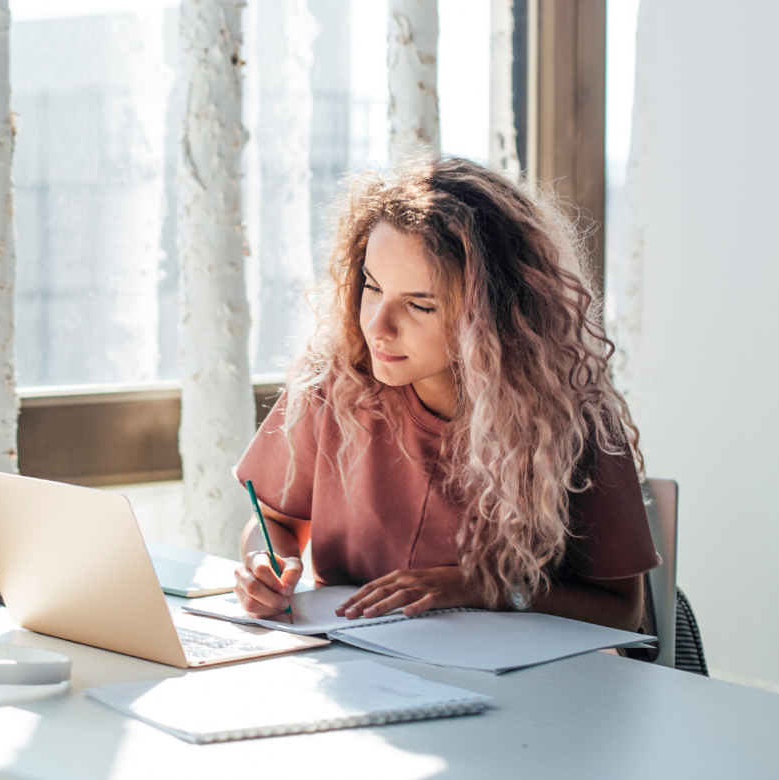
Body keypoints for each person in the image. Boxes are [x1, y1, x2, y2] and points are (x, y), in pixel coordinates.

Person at [233, 157, 659, 632]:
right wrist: (265, 565)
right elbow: (275, 523)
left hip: (525, 683)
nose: (377, 327)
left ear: (493, 315)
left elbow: (623, 611)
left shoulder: (568, 418)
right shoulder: (333, 386)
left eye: (419, 305)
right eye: (371, 287)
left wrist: (478, 587)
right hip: (361, 668)